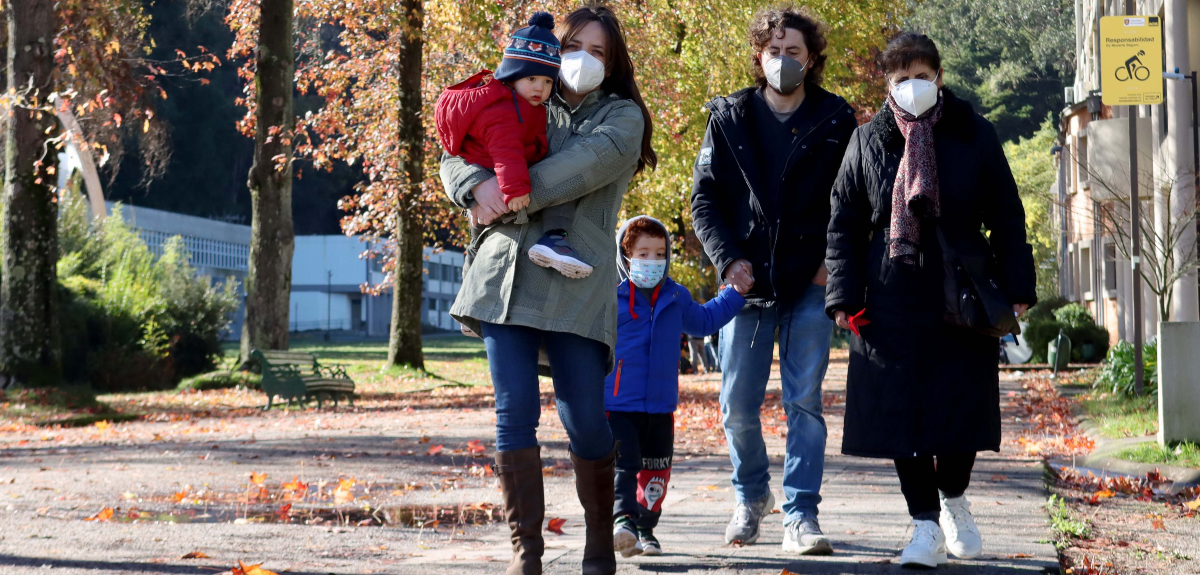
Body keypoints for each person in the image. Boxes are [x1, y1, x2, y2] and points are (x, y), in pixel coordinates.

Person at [439, 5, 657, 575]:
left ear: (613, 64)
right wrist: (472, 183)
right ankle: (526, 555)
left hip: (576, 285)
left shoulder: (624, 117)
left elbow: (578, 169)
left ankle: (599, 544)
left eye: (598, 51)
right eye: (573, 46)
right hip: (504, 276)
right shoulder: (516, 93)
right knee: (513, 413)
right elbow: (455, 149)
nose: (583, 59)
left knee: (584, 418)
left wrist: (501, 189)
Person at [824, 33, 1036, 569]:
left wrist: (1017, 289)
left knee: (960, 406)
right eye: (900, 78)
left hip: (959, 292)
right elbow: (844, 223)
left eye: (921, 74)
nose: (912, 86)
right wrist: (843, 297)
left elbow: (1007, 214)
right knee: (901, 413)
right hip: (888, 295)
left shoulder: (973, 133)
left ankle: (954, 500)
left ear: (939, 77)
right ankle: (923, 524)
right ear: (887, 83)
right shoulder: (868, 140)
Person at [690, 5, 855, 554]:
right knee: (736, 406)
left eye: (795, 52)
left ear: (811, 60)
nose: (784, 60)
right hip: (746, 288)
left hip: (810, 285)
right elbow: (705, 200)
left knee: (804, 402)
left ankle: (801, 515)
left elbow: (851, 203)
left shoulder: (836, 119)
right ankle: (751, 493)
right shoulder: (729, 116)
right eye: (775, 50)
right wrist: (728, 259)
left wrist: (830, 265)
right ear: (760, 55)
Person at [606, 216, 746, 557]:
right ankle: (622, 522)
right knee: (624, 467)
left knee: (657, 473)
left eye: (659, 254)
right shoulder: (610, 298)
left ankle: (646, 529)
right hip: (618, 404)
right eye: (643, 254)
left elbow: (705, 320)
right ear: (626, 256)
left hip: (660, 405)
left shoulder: (676, 296)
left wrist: (735, 295)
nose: (652, 262)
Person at [435, 12, 592, 279]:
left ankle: (472, 284)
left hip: (493, 173)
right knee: (480, 231)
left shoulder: (527, 105)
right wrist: (516, 189)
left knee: (480, 233)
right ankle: (471, 289)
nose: (539, 88)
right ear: (512, 75)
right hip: (491, 172)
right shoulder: (503, 109)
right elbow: (506, 151)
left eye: (547, 82)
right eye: (531, 79)